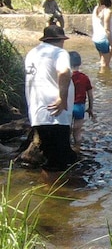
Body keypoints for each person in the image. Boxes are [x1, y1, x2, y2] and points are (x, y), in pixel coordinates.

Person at [24, 26, 77, 180]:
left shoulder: (32, 53)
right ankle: (53, 195)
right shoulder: (59, 53)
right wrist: (62, 97)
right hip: (55, 115)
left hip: (38, 112)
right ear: (60, 40)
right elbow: (64, 72)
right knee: (56, 162)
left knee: (51, 157)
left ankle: (50, 196)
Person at [68, 51, 95, 148]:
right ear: (79, 63)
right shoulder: (84, 77)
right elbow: (90, 95)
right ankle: (77, 150)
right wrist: (90, 108)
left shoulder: (66, 77)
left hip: (68, 106)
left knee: (66, 130)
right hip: (80, 106)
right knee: (77, 133)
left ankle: (66, 148)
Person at [91, 0, 112, 69]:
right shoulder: (108, 11)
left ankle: (100, 78)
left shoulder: (96, 9)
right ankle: (104, 79)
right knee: (105, 65)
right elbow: (107, 29)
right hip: (104, 39)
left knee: (102, 60)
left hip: (96, 38)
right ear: (109, 0)